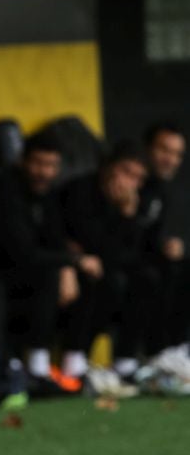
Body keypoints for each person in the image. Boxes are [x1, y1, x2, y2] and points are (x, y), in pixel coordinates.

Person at [0, 132, 80, 395]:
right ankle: (13, 372)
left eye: (51, 165)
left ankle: (67, 368)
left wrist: (69, 267)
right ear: (23, 161)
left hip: (15, 273)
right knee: (42, 275)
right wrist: (71, 261)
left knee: (87, 276)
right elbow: (22, 252)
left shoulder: (48, 194)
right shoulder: (4, 190)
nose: (44, 172)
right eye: (38, 163)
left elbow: (55, 240)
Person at [59, 144, 149, 395]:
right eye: (126, 172)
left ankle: (126, 365)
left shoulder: (130, 204)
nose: (130, 182)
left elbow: (129, 254)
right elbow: (94, 245)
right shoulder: (80, 192)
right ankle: (74, 365)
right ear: (109, 167)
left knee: (143, 279)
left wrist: (128, 214)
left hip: (106, 270)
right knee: (105, 280)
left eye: (137, 178)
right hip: (67, 268)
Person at [134, 121, 190, 389]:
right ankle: (153, 358)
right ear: (147, 149)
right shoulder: (129, 183)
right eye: (164, 150)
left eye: (177, 154)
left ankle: (177, 353)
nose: (171, 159)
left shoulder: (170, 192)